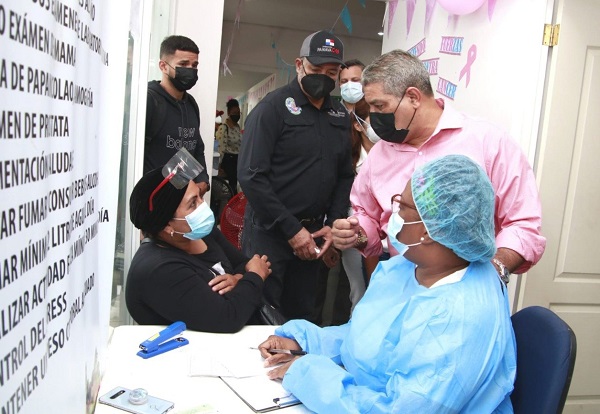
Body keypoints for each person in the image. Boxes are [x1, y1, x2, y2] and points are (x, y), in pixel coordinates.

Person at [258, 155, 517, 413]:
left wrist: (307, 375)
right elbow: (366, 335)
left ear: (430, 230)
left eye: (402, 207)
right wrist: (306, 341)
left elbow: (398, 409)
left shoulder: (459, 320)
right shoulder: (407, 267)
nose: (394, 213)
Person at [332, 49, 546, 278]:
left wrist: (493, 272)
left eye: (380, 106)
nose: (373, 116)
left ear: (413, 97)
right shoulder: (379, 155)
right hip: (403, 287)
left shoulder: (489, 142)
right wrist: (356, 233)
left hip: (472, 291)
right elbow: (368, 215)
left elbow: (523, 224)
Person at [237, 30, 354, 322]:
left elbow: (344, 174)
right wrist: (291, 230)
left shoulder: (338, 116)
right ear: (299, 64)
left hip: (314, 235)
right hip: (271, 233)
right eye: (316, 70)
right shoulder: (272, 109)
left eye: (331, 72)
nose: (323, 78)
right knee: (262, 315)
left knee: (302, 314)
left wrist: (333, 223)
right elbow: (251, 176)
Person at [126, 150, 271, 333]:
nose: (203, 206)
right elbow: (227, 317)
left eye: (200, 196)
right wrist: (255, 276)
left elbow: (242, 263)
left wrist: (238, 279)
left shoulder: (200, 232)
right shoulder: (159, 269)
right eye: (192, 203)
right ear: (167, 227)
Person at [145, 35, 210, 196]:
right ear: (163, 66)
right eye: (183, 64)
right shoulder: (149, 100)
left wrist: (202, 182)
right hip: (155, 201)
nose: (190, 70)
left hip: (184, 201)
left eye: (194, 65)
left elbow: (196, 148)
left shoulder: (191, 104)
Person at [216, 98, 242, 194]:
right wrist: (218, 166)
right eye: (234, 112)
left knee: (235, 186)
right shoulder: (224, 127)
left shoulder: (237, 127)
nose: (237, 115)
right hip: (228, 161)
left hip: (237, 160)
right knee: (232, 188)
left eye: (239, 112)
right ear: (229, 112)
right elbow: (221, 148)